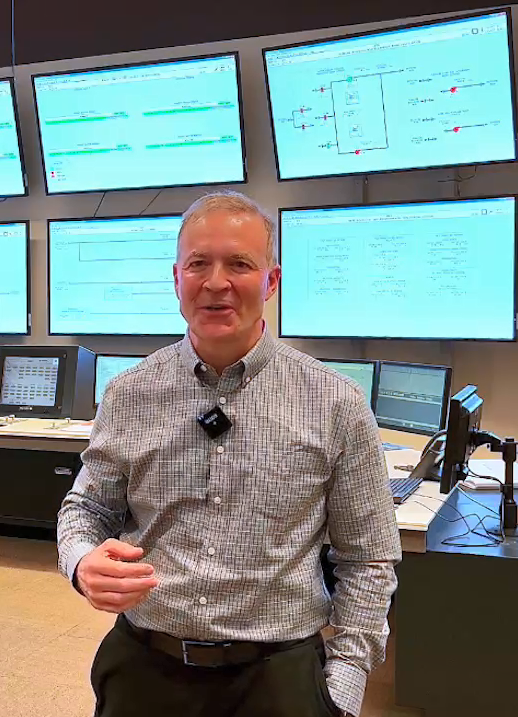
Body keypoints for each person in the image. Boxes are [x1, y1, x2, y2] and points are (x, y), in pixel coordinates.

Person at [58, 190, 401, 717]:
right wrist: (81, 561)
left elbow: (368, 558)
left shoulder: (335, 403)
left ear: (271, 281)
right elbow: (86, 510)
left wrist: (344, 689)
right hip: (145, 668)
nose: (216, 282)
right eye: (199, 263)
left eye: (239, 264)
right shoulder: (130, 394)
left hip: (277, 676)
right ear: (177, 280)